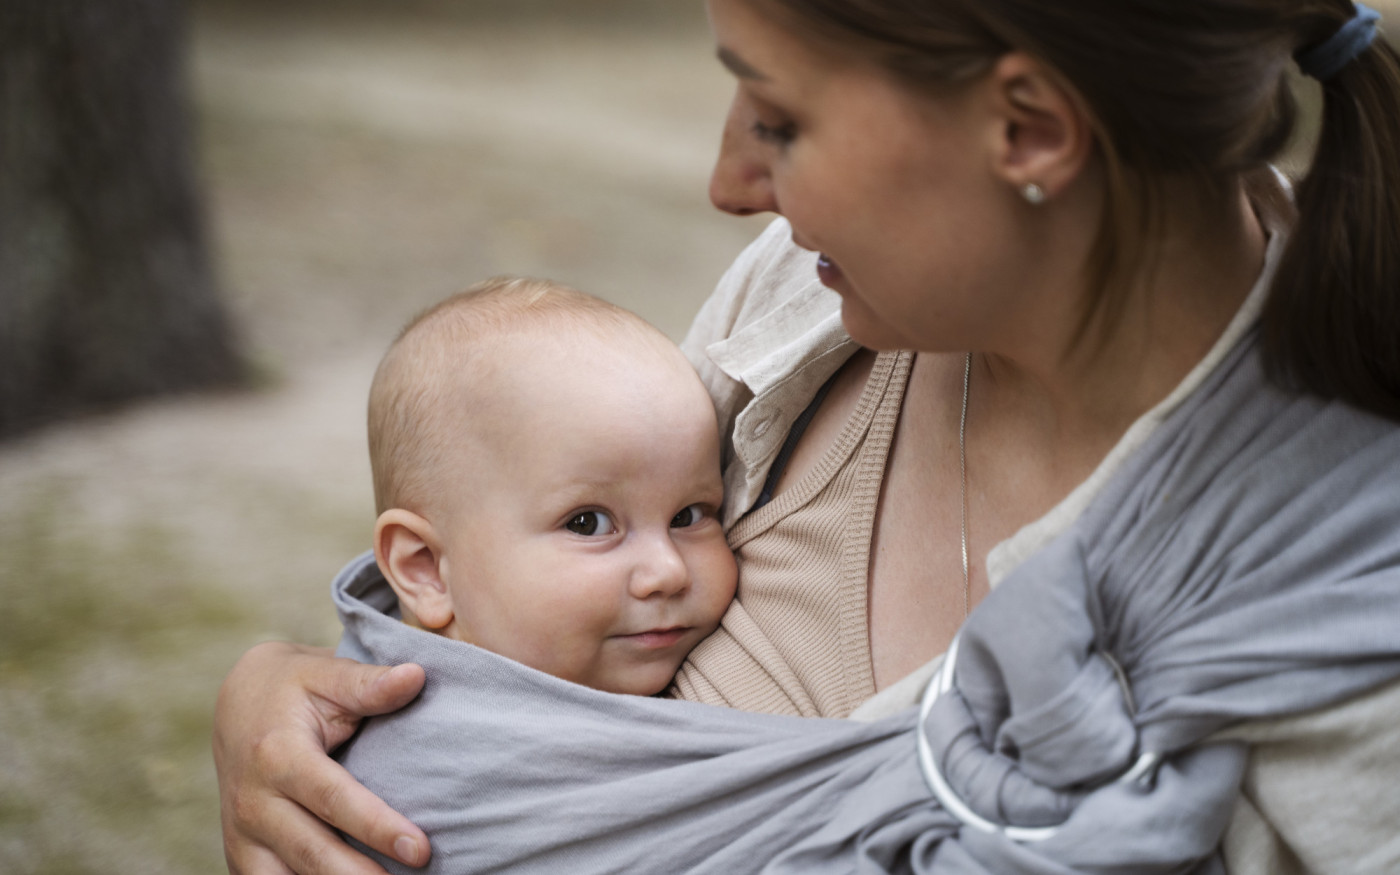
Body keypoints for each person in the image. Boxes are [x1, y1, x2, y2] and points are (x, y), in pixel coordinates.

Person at [213, 1, 1400, 873]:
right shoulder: (802, 308)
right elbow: (504, 587)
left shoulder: (1342, 606)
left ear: (1029, 127)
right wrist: (296, 707)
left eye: (777, 118)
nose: (729, 180)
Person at [351, 276, 736, 697]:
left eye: (688, 516)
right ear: (424, 568)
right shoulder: (466, 754)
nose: (669, 572)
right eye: (587, 523)